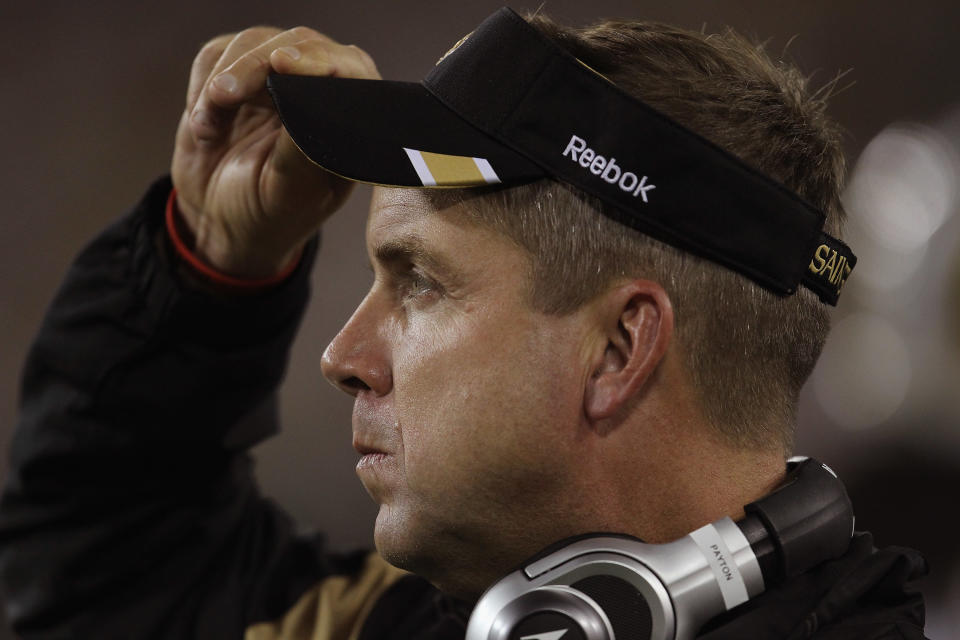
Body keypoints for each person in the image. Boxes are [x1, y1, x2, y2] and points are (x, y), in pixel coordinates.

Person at [0, 7, 928, 640]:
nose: (342, 357)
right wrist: (204, 265)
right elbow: (101, 587)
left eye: (420, 283)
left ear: (618, 350)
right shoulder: (395, 618)